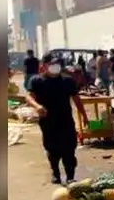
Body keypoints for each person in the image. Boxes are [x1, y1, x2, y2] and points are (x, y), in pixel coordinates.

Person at [25, 54, 89, 184]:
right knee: (52, 148)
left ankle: (70, 176)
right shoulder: (37, 81)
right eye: (52, 64)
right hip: (47, 121)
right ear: (44, 66)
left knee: (69, 148)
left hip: (65, 120)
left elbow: (76, 99)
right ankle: (55, 173)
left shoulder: (67, 81)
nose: (55, 67)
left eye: (57, 64)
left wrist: (84, 115)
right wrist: (37, 106)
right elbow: (29, 97)